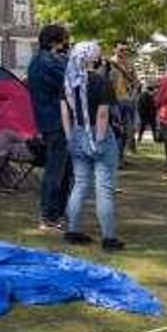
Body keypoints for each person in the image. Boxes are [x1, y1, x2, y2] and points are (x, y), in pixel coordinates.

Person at [62, 41, 124, 251]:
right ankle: (109, 238)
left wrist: (70, 138)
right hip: (99, 135)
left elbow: (65, 113)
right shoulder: (101, 82)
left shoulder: (68, 81)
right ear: (95, 58)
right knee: (104, 188)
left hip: (77, 134)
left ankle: (73, 230)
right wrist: (98, 139)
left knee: (80, 185)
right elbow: (102, 114)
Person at [27, 24, 71, 231]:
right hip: (56, 120)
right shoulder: (50, 61)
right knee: (56, 170)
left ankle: (58, 214)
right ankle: (49, 216)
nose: (66, 44)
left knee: (63, 170)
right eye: (64, 40)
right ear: (56, 41)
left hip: (48, 120)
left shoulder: (37, 60)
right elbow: (70, 82)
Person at [106, 42, 138, 164]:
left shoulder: (130, 65)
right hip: (114, 101)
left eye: (126, 50)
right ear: (114, 49)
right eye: (121, 49)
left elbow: (136, 83)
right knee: (115, 131)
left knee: (127, 131)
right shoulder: (109, 64)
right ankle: (115, 158)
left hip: (127, 101)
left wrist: (133, 96)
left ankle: (120, 157)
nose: (124, 52)